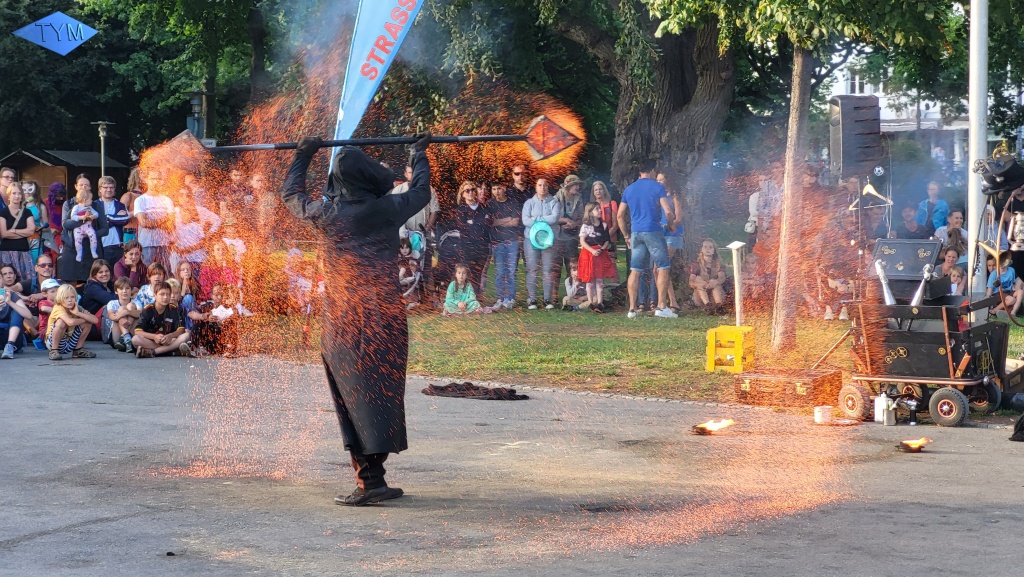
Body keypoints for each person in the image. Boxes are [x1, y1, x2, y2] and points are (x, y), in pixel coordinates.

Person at [280, 133, 433, 506]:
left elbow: (291, 195)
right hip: (386, 317)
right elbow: (420, 192)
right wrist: (418, 154)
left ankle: (370, 481)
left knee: (352, 394)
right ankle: (374, 477)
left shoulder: (327, 215)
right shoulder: (386, 209)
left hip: (345, 320)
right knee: (379, 390)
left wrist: (303, 155)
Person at [617, 159, 677, 319]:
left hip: (636, 233)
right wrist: (671, 225)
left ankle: (632, 309)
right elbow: (668, 211)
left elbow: (620, 215)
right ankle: (661, 306)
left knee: (635, 270)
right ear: (652, 170)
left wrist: (626, 235)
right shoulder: (657, 187)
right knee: (663, 267)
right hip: (653, 231)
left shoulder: (629, 189)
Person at [389, 163, 439, 291]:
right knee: (402, 266)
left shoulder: (429, 190)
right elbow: (390, 211)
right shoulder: (398, 191)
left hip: (422, 234)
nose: (413, 175)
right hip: (403, 237)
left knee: (425, 267)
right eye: (410, 172)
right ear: (406, 174)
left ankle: (426, 294)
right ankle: (405, 294)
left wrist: (427, 228)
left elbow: (434, 210)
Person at [59, 174, 108, 284]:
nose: (84, 187)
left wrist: (91, 234)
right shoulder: (69, 204)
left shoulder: (96, 206)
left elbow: (105, 229)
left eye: (86, 185)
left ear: (90, 187)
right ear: (76, 186)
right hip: (72, 248)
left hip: (92, 248)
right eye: (81, 185)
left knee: (93, 282)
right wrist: (83, 219)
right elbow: (65, 224)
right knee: (71, 283)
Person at [521, 178, 561, 310]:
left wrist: (536, 219)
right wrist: (544, 220)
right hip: (531, 240)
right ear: (536, 187)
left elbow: (554, 218)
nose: (542, 187)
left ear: (548, 187)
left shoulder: (554, 202)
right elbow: (525, 220)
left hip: (548, 240)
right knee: (532, 269)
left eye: (545, 185)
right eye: (539, 185)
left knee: (548, 269)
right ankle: (532, 299)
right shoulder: (529, 203)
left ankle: (547, 299)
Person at [131, 280, 191, 358]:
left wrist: (170, 336)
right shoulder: (148, 309)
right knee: (135, 339)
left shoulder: (174, 309)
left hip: (169, 340)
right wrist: (154, 337)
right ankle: (171, 351)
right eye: (162, 294)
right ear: (155, 295)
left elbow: (181, 330)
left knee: (186, 335)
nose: (165, 297)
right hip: (152, 341)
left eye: (168, 294)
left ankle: (154, 352)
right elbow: (138, 331)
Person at [452, 181, 491, 295]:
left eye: (472, 190)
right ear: (463, 194)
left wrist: (472, 223)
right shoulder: (460, 210)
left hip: (482, 247)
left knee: (478, 274)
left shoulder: (484, 207)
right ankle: (463, 297)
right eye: (467, 190)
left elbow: (487, 225)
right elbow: (462, 228)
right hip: (467, 247)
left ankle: (475, 298)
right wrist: (478, 224)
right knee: (466, 274)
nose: (470, 192)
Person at [488, 182, 522, 308]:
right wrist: (508, 219)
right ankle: (500, 298)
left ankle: (510, 298)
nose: (497, 191)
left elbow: (515, 222)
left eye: (499, 188)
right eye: (494, 189)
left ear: (504, 188)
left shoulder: (513, 202)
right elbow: (491, 222)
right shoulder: (490, 204)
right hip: (497, 242)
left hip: (512, 241)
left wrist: (499, 221)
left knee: (511, 271)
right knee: (500, 272)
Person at [578, 202, 617, 312]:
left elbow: (606, 240)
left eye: (599, 208)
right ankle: (590, 302)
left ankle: (600, 302)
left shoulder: (603, 225)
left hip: (600, 254)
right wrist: (592, 251)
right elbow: (582, 241)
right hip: (588, 254)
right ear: (590, 212)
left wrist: (602, 249)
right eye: (596, 209)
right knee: (590, 279)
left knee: (599, 278)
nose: (600, 210)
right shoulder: (586, 226)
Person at [134, 169, 175, 271]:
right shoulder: (140, 200)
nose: (155, 182)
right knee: (146, 272)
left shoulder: (167, 200)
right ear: (146, 180)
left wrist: (152, 223)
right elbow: (144, 223)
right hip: (146, 244)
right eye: (152, 179)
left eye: (158, 179)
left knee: (165, 272)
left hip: (164, 244)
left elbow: (171, 224)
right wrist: (165, 218)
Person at [45, 283, 98, 361]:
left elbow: (95, 320)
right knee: (61, 322)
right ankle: (54, 351)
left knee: (87, 323)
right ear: (60, 298)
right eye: (66, 297)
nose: (70, 300)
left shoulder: (77, 308)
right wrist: (85, 318)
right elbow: (70, 322)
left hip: (70, 342)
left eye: (72, 297)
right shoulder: (58, 308)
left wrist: (78, 313)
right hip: (54, 342)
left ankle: (78, 350)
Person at [552, 174, 585, 299]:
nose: (578, 187)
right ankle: (554, 297)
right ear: (568, 186)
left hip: (572, 237)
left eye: (579, 185)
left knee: (573, 266)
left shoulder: (579, 198)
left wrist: (575, 224)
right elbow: (551, 217)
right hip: (557, 237)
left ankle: (572, 294)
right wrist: (566, 220)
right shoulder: (556, 199)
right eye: (576, 185)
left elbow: (582, 217)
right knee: (556, 267)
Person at [1, 182, 38, 284]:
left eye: (19, 193)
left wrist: (14, 231)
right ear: (9, 195)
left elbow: (31, 231)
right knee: (8, 281)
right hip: (7, 252)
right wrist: (23, 232)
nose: (17, 196)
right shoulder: (3, 212)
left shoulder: (27, 212)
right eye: (14, 193)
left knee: (26, 282)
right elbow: (4, 234)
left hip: (24, 252)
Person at [1, 266, 34, 359]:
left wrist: (10, 302)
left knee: (17, 311)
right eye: (5, 274)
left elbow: (28, 315)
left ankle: (9, 345)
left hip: (11, 337)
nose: (8, 276)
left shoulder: (11, 295)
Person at [96, 176, 130, 266]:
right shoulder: (95, 205)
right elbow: (97, 223)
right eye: (106, 187)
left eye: (111, 187)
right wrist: (116, 218)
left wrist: (106, 218)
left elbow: (125, 219)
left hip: (118, 247)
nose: (109, 190)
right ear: (100, 189)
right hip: (101, 247)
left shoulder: (120, 205)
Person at [689, 239, 727, 315]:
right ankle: (707, 305)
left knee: (716, 284)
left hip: (715, 293)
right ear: (701, 249)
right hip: (701, 293)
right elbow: (691, 282)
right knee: (698, 279)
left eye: (710, 247)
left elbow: (722, 278)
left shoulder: (719, 264)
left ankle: (719, 306)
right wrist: (700, 284)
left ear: (714, 250)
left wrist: (715, 282)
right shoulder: (696, 264)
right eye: (705, 247)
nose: (708, 249)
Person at [105, 276, 139, 352]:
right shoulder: (112, 303)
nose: (124, 291)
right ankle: (126, 337)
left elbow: (141, 314)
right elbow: (111, 316)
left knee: (131, 306)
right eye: (121, 289)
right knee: (121, 309)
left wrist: (127, 312)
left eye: (127, 288)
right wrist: (121, 316)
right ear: (116, 291)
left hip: (131, 332)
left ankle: (125, 338)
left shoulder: (136, 302)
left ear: (131, 290)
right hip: (116, 337)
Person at [69, 187, 101, 262]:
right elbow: (72, 216)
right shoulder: (76, 207)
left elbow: (96, 214)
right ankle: (79, 253)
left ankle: (93, 250)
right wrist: (81, 217)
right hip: (79, 227)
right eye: (90, 199)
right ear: (85, 200)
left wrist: (93, 216)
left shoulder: (89, 208)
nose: (92, 201)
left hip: (88, 226)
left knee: (93, 235)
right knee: (77, 239)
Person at [987, 252, 1024, 317]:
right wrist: (988, 304)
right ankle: (994, 310)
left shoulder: (1012, 270)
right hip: (997, 294)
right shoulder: (994, 274)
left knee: (1020, 292)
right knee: (1012, 300)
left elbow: (1012, 284)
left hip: (1008, 292)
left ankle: (1013, 313)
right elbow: (989, 291)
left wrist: (1015, 289)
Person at [21, 180, 49, 261]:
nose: (27, 193)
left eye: (30, 189)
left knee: (35, 263)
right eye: (24, 190)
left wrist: (39, 228)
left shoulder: (40, 207)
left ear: (35, 190)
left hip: (35, 241)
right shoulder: (19, 206)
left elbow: (47, 227)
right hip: (21, 240)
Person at [120, 167, 144, 243]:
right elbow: (120, 217)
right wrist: (136, 212)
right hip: (130, 232)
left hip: (145, 233)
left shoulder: (148, 196)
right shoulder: (128, 196)